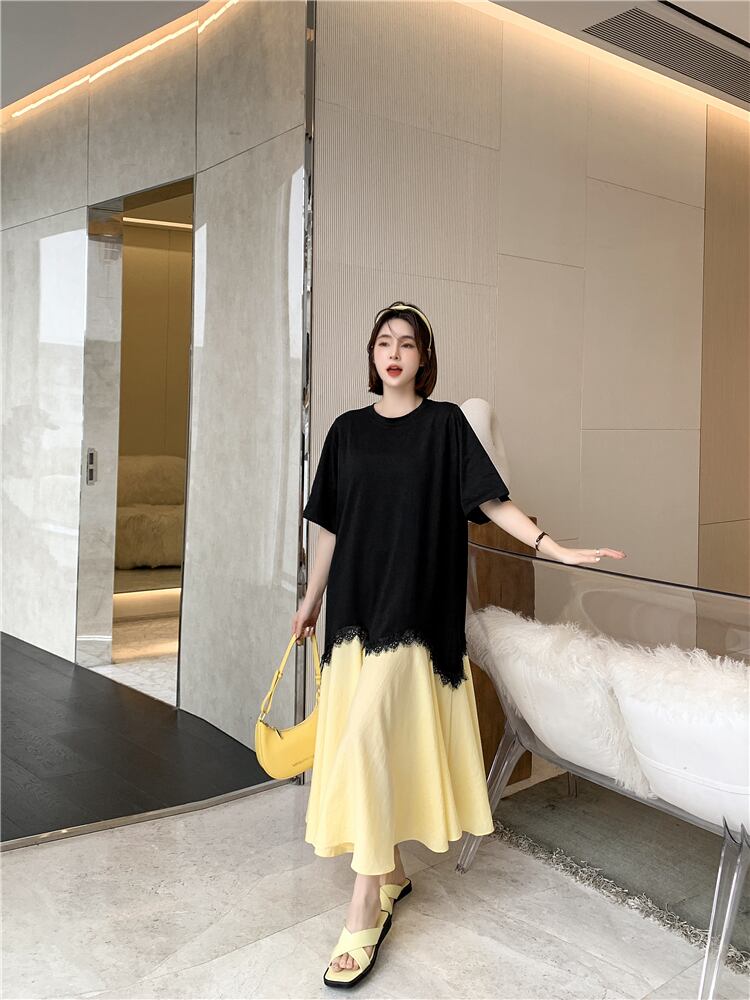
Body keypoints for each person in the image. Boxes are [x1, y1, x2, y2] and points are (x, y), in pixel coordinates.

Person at [292, 301, 626, 987]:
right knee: (365, 741)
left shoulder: (445, 427)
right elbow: (330, 527)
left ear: (424, 358)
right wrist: (310, 599)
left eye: (407, 344)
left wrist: (555, 548)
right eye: (384, 342)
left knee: (368, 737)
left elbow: (493, 501)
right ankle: (390, 870)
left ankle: (364, 908)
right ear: (372, 355)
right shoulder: (346, 432)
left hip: (415, 614)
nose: (394, 353)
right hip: (354, 612)